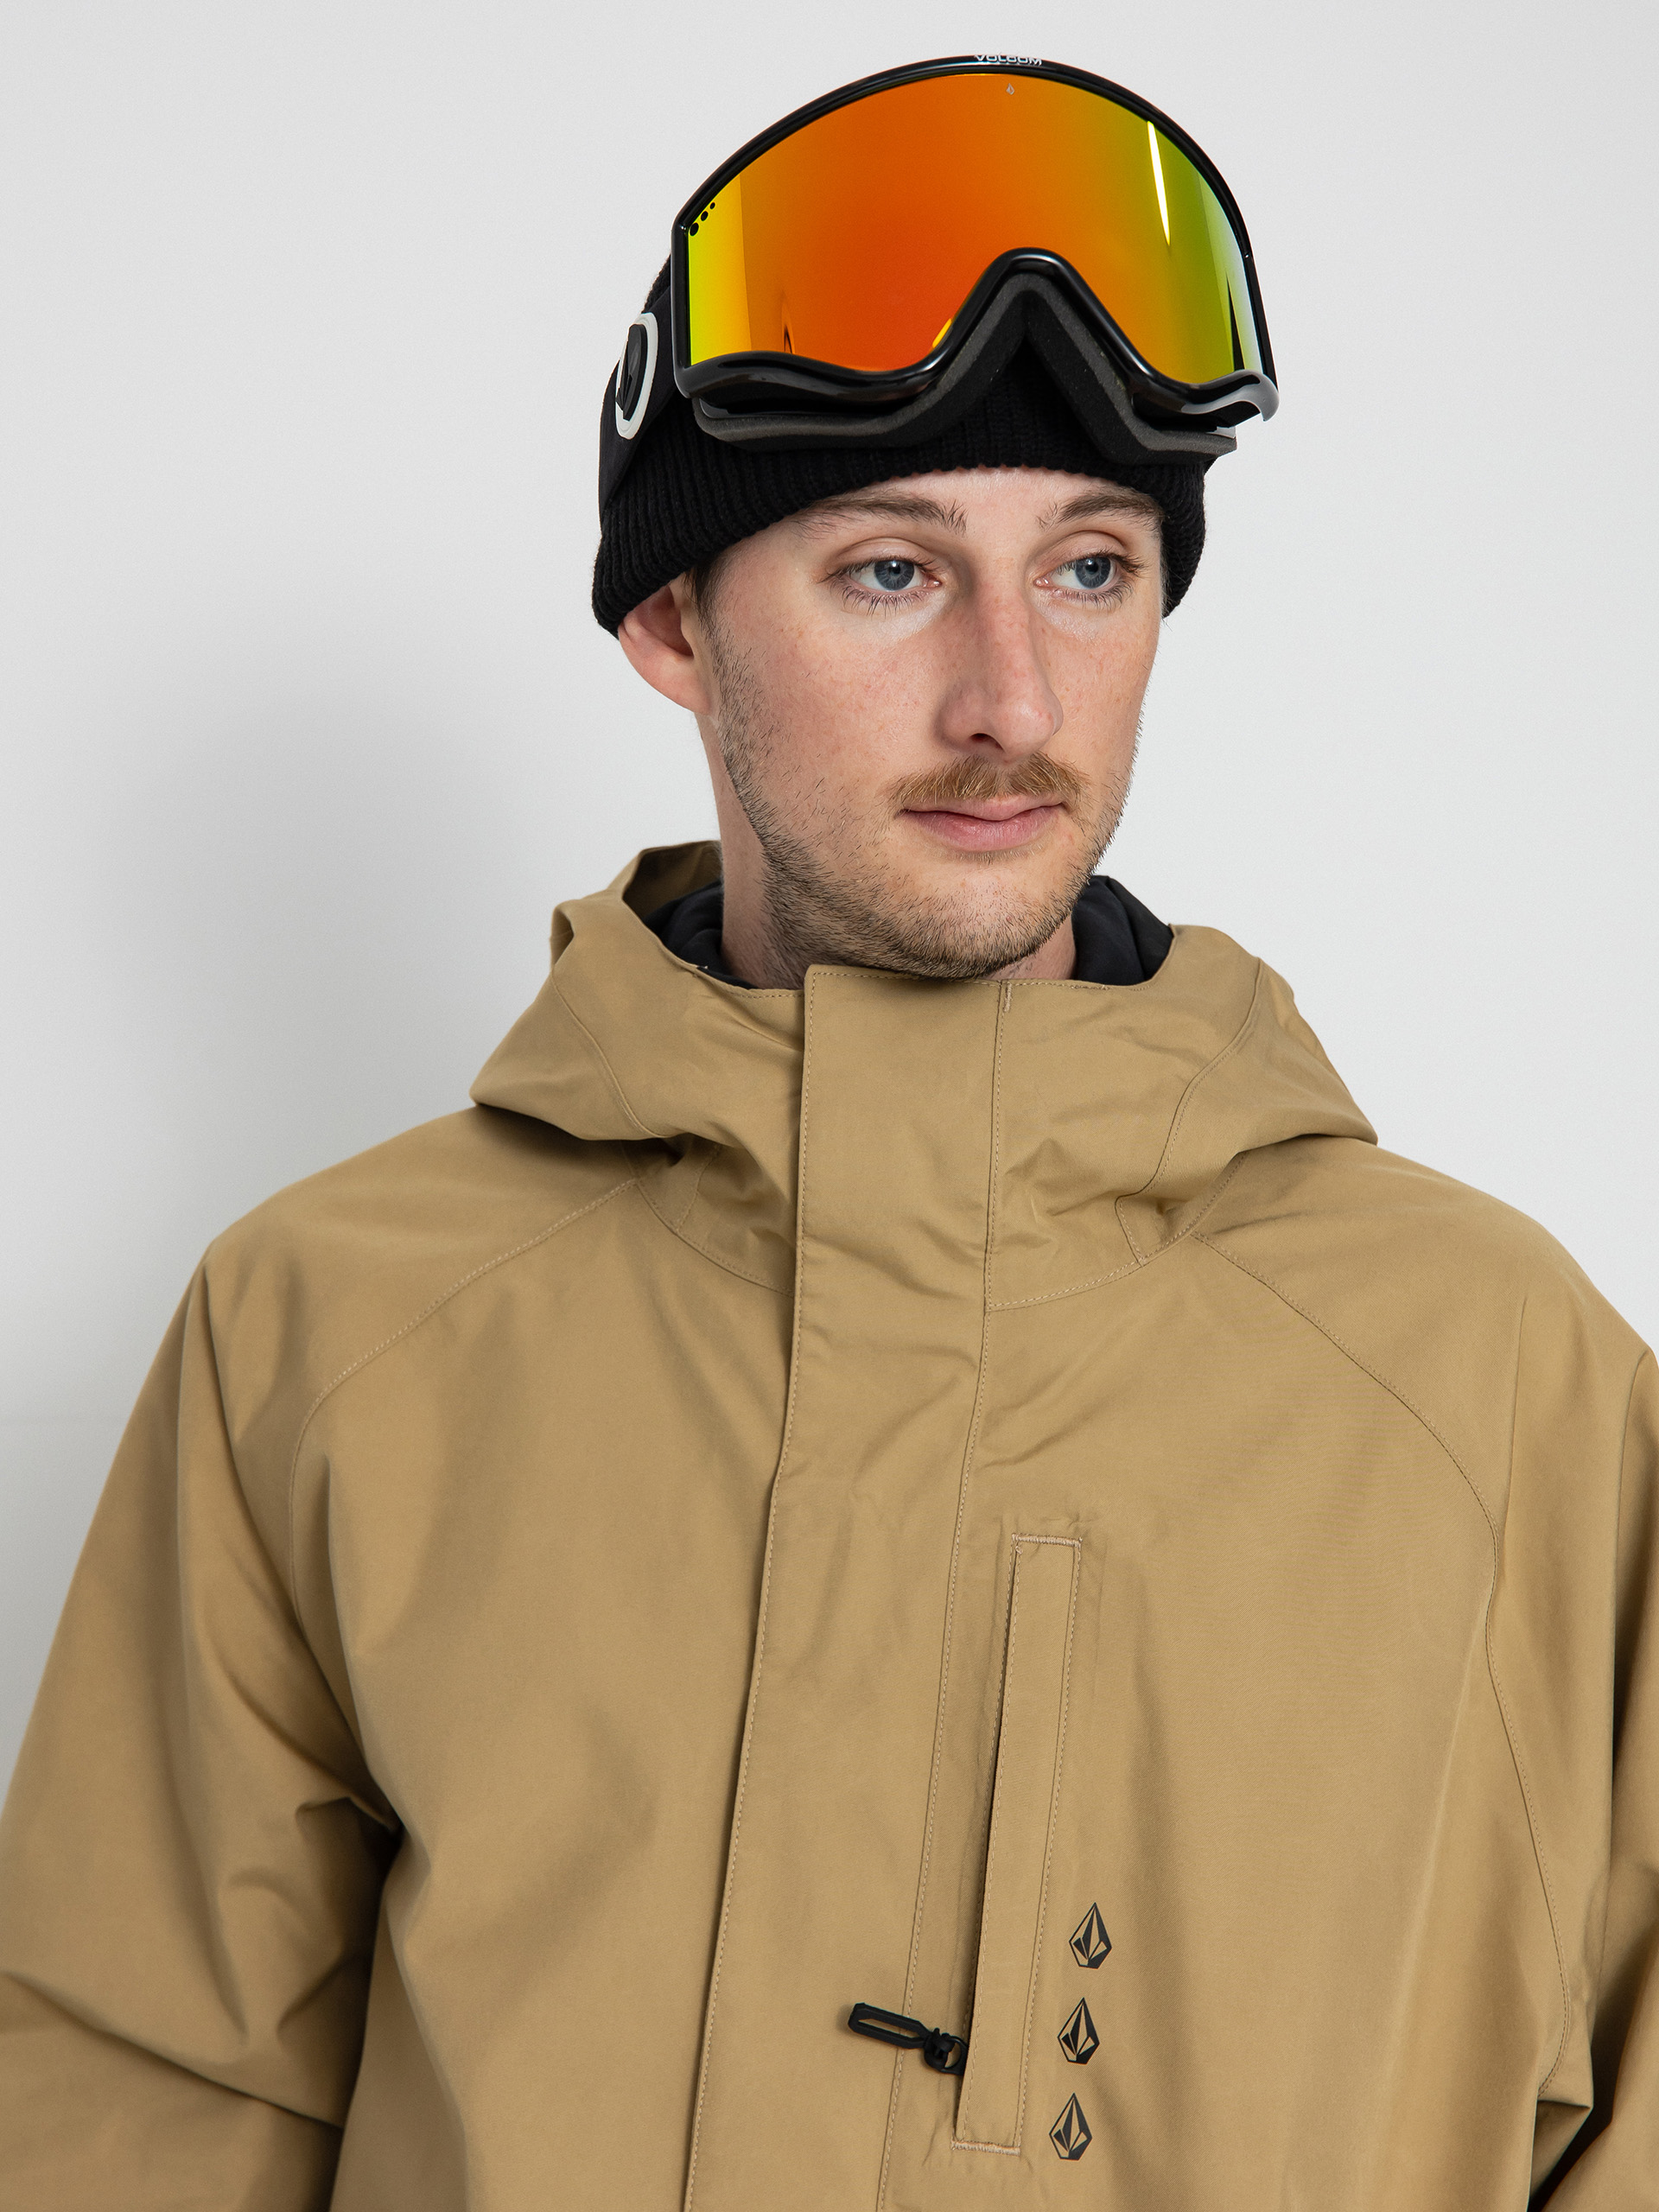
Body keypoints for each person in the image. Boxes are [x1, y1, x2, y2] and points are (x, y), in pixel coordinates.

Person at [0, 54, 1651, 2212]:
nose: (1013, 701)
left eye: (1090, 567)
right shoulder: (330, 1332)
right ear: (676, 621)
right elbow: (135, 2110)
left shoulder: (1497, 1376)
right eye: (891, 570)